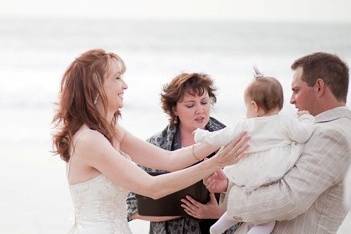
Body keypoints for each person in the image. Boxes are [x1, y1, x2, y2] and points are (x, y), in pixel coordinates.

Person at [52, 49, 249, 234]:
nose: (125, 85)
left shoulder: (112, 131)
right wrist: (216, 162)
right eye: (117, 77)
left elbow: (169, 160)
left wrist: (226, 136)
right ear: (95, 86)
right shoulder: (89, 140)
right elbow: (152, 188)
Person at [204, 52, 351, 234]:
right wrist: (229, 184)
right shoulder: (317, 127)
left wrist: (233, 198)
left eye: (296, 90)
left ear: (319, 87)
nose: (290, 100)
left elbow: (286, 200)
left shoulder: (334, 135)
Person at [194, 76, 314, 234]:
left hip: (247, 174)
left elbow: (221, 136)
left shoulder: (245, 124)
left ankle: (218, 227)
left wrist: (201, 135)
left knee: (238, 205)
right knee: (266, 222)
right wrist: (307, 118)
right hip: (271, 174)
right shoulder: (285, 122)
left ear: (254, 106)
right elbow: (303, 135)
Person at [127, 73, 238, 233]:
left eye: (204, 102)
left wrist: (217, 213)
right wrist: (169, 210)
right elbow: (130, 205)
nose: (200, 110)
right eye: (190, 105)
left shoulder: (231, 140)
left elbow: (255, 199)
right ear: (174, 109)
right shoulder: (156, 145)